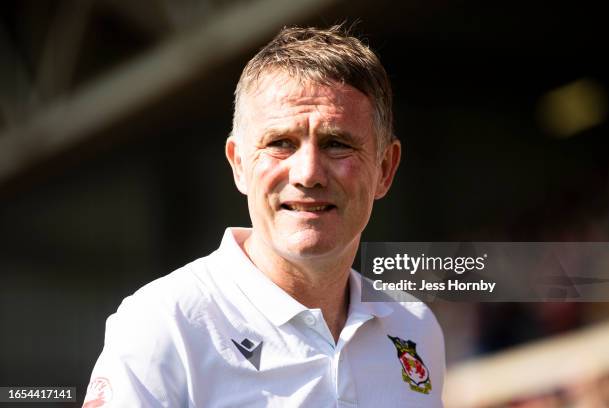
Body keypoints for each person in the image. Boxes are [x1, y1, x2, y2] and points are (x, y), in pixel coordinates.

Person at [83, 24, 445, 407]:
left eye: (337, 144)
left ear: (385, 169)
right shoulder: (164, 323)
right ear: (239, 164)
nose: (308, 174)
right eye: (280, 144)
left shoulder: (415, 327)